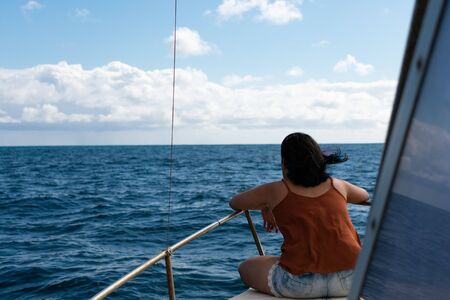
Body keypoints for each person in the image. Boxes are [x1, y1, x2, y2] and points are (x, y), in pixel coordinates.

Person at [229, 132, 370, 298]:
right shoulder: (339, 185)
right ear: (319, 160)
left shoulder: (274, 190)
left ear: (284, 163)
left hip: (300, 285)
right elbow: (364, 195)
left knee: (245, 267)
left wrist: (266, 205)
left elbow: (235, 202)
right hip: (353, 279)